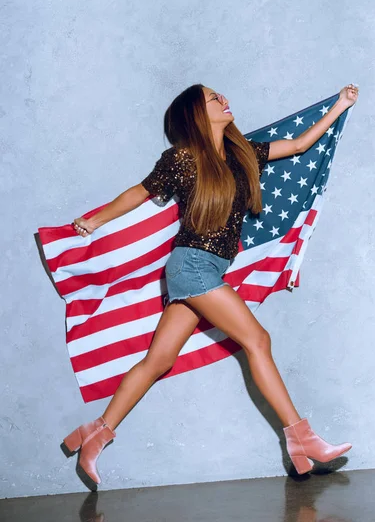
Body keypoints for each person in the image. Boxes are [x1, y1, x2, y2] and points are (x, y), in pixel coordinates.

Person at [62, 82, 359, 491]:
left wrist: (339, 105)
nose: (224, 99)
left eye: (221, 95)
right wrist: (94, 221)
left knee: (158, 361)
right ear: (196, 114)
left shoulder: (242, 154)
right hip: (193, 266)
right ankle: (301, 436)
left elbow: (298, 145)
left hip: (203, 269)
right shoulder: (182, 159)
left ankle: (94, 435)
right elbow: (139, 192)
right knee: (257, 340)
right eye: (213, 98)